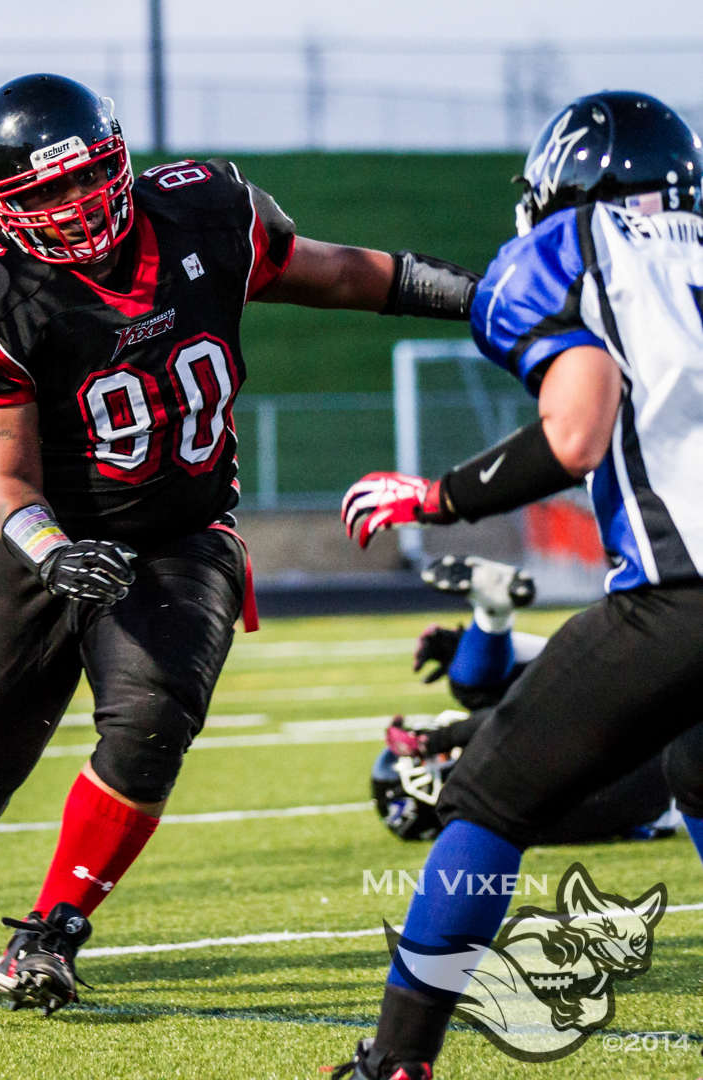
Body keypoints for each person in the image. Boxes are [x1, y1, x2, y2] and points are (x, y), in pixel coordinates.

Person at [0, 72, 482, 1015]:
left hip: (179, 527)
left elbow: (344, 272)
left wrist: (487, 298)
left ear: (119, 159)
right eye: (43, 193)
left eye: (86, 177)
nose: (74, 205)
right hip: (34, 534)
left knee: (153, 719)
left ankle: (52, 930)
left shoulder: (207, 212)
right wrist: (53, 551)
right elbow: (8, 478)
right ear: (0, 204)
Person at [334, 92, 703, 1079]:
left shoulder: (566, 247)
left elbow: (579, 428)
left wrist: (436, 496)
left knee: (487, 797)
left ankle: (399, 1061)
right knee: (696, 770)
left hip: (685, 589)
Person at [372, 555, 676, 845]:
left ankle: (490, 623)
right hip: (656, 750)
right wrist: (435, 740)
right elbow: (522, 716)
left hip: (651, 750)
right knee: (487, 694)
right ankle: (492, 619)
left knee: (472, 686)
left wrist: (463, 649)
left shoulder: (499, 810)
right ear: (430, 786)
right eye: (436, 758)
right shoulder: (503, 802)